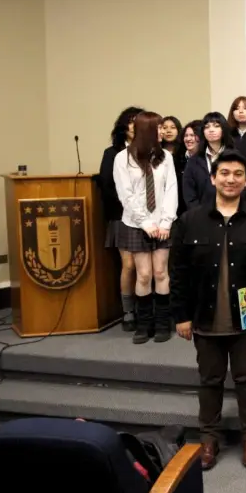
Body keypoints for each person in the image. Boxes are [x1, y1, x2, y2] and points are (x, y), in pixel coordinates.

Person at [170, 149, 246, 471]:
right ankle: (209, 437)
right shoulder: (190, 221)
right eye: (224, 173)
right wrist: (180, 314)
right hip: (204, 313)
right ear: (213, 178)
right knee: (210, 379)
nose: (230, 179)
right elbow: (178, 272)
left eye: (237, 174)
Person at [113, 111, 178, 344]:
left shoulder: (166, 158)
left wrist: (165, 221)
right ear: (147, 130)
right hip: (136, 224)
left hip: (162, 225)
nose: (163, 131)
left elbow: (171, 190)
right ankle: (144, 324)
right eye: (159, 128)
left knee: (161, 272)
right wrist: (146, 223)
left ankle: (162, 324)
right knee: (143, 275)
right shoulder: (123, 158)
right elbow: (126, 195)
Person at [100, 106, 144, 332]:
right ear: (123, 127)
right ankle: (128, 311)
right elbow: (108, 187)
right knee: (129, 265)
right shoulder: (112, 153)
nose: (135, 126)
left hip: (148, 217)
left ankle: (147, 311)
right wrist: (132, 209)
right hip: (122, 216)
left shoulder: (152, 151)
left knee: (147, 267)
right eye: (131, 121)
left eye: (140, 121)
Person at [183, 112, 236, 209]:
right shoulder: (194, 161)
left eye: (216, 126)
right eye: (207, 127)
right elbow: (189, 193)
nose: (211, 130)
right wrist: (200, 214)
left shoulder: (235, 156)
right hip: (201, 216)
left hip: (232, 213)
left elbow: (242, 187)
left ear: (223, 129)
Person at [174, 120, 203, 216]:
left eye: (193, 135)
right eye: (186, 135)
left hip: (201, 212)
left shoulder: (206, 160)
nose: (188, 139)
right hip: (180, 212)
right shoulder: (177, 159)